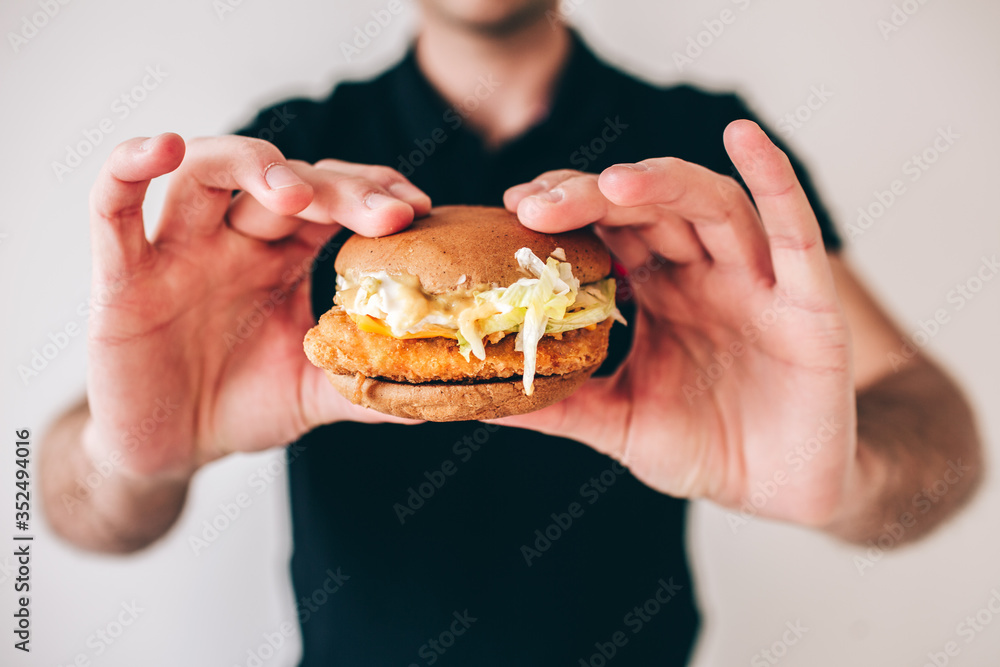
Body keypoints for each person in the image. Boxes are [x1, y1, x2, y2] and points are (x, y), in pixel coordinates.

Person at [40, 0, 983, 664]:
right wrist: (131, 463)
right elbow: (62, 506)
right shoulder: (288, 158)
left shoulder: (703, 149)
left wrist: (845, 472)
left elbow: (943, 451)